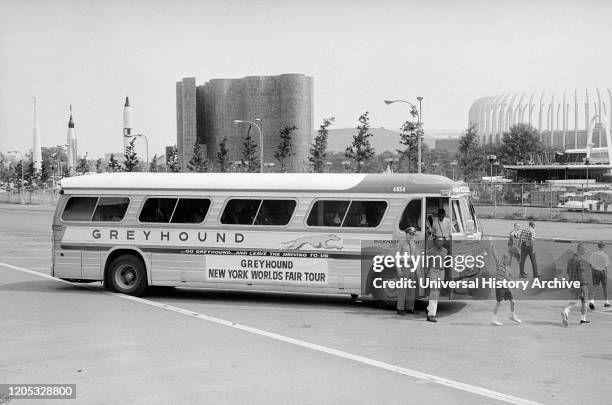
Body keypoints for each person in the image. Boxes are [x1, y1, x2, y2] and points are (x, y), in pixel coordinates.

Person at [490, 242, 521, 326]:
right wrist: (493, 247)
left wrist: (512, 284)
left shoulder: (508, 268)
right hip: (499, 286)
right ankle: (494, 319)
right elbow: (495, 255)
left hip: (505, 286)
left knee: (513, 302)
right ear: (502, 259)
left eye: (506, 259)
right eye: (504, 259)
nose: (505, 260)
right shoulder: (499, 264)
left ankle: (512, 316)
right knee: (498, 303)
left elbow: (507, 277)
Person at [562, 243, 592, 326]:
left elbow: (568, 271)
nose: (586, 251)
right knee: (584, 301)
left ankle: (566, 311)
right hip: (581, 284)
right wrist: (584, 283)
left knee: (573, 300)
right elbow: (581, 274)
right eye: (585, 249)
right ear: (580, 249)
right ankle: (583, 319)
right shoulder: (580, 261)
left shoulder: (570, 259)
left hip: (572, 282)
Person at [396, 227, 419, 315]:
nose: (411, 236)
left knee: (411, 288)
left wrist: (416, 269)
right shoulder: (401, 243)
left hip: (411, 266)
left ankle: (410, 308)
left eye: (412, 234)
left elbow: (415, 257)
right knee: (403, 288)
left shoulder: (413, 244)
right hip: (404, 266)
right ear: (406, 234)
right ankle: (400, 308)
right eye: (409, 234)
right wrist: (398, 269)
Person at [425, 238, 447, 323]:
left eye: (441, 241)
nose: (439, 242)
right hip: (433, 271)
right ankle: (431, 315)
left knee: (437, 292)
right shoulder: (431, 251)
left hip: (441, 272)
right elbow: (427, 262)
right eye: (438, 240)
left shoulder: (445, 251)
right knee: (434, 292)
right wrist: (427, 273)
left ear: (443, 242)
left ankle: (429, 308)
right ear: (435, 241)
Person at [588, 241, 610, 309]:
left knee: (595, 287)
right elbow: (606, 266)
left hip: (594, 271)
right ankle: (606, 302)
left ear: (598, 246)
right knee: (604, 287)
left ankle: (592, 301)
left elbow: (590, 264)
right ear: (603, 247)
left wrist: (593, 269)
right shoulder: (605, 256)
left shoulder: (593, 254)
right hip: (602, 272)